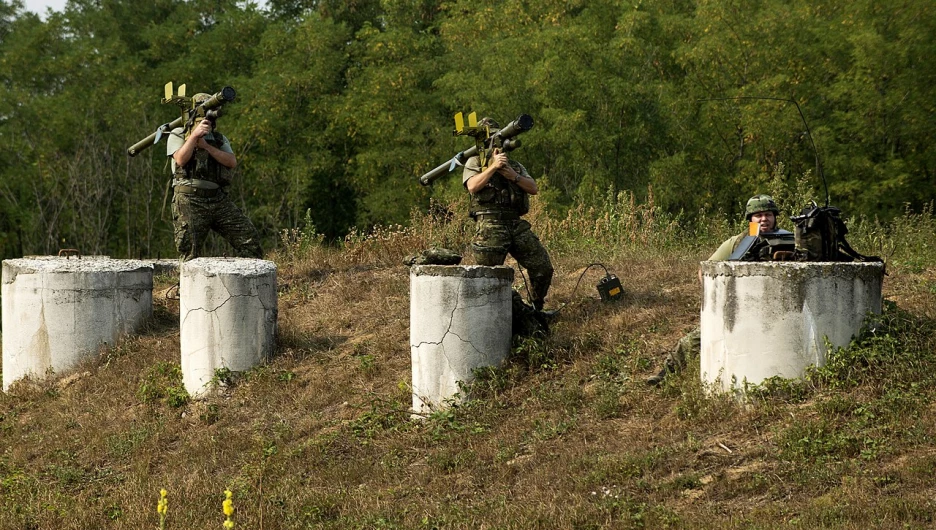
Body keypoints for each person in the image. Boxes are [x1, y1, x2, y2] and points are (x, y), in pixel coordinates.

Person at [647, 194, 789, 386]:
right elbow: (705, 270)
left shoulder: (788, 239)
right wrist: (721, 296)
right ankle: (664, 376)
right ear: (750, 219)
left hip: (777, 309)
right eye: (758, 215)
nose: (764, 219)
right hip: (738, 307)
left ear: (775, 217)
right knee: (693, 340)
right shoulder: (738, 242)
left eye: (768, 215)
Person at [462, 117, 554, 311]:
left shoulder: (515, 165)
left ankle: (536, 307)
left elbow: (533, 188)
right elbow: (472, 186)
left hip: (514, 223)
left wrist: (513, 175)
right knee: (488, 275)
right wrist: (493, 167)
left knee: (542, 267)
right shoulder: (475, 161)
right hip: (490, 224)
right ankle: (493, 310)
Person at [167, 93, 263, 261]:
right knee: (190, 251)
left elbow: (231, 161)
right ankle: (186, 286)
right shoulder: (178, 133)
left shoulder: (218, 139)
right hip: (189, 199)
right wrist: (194, 136)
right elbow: (181, 159)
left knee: (249, 240)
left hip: (217, 199)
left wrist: (207, 147)